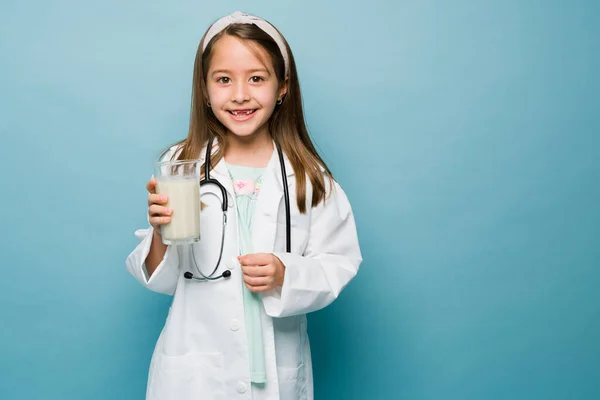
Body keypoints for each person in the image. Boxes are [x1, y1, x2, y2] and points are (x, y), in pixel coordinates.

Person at [126, 11, 362, 400]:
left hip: (273, 375)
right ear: (204, 89)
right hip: (196, 375)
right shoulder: (180, 165)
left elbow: (339, 262)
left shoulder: (309, 176)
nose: (240, 94)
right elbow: (162, 279)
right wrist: (159, 233)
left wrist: (287, 272)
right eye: (223, 80)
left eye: (256, 78)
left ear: (283, 87)